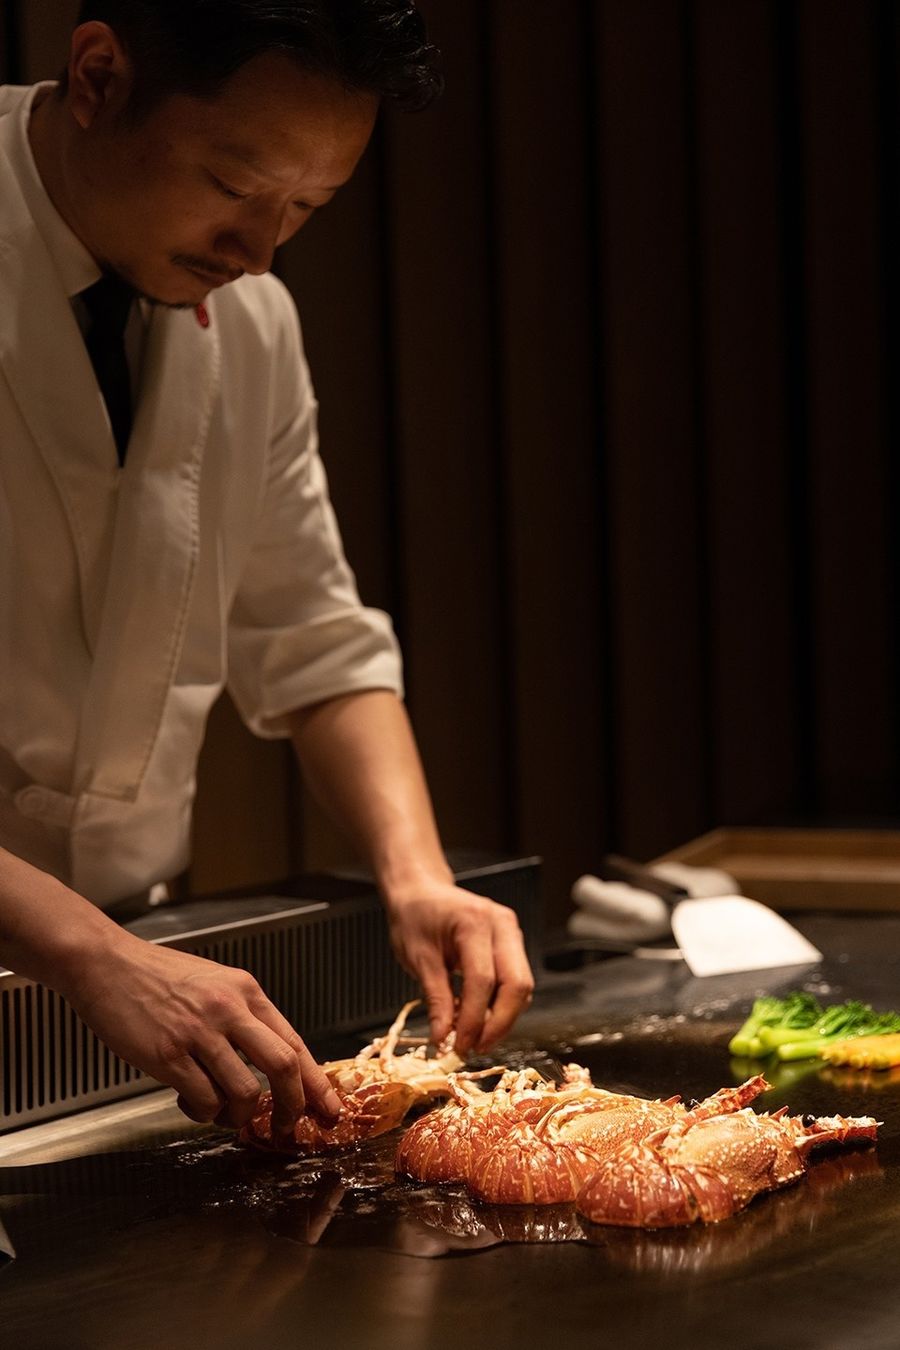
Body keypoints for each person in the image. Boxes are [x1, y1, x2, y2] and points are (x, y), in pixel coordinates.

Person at [0, 0, 534, 1138]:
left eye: (307, 207)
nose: (261, 251)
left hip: (123, 979)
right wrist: (93, 954)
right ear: (97, 76)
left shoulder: (253, 326)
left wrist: (418, 874)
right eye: (237, 187)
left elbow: (317, 644)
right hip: (101, 963)